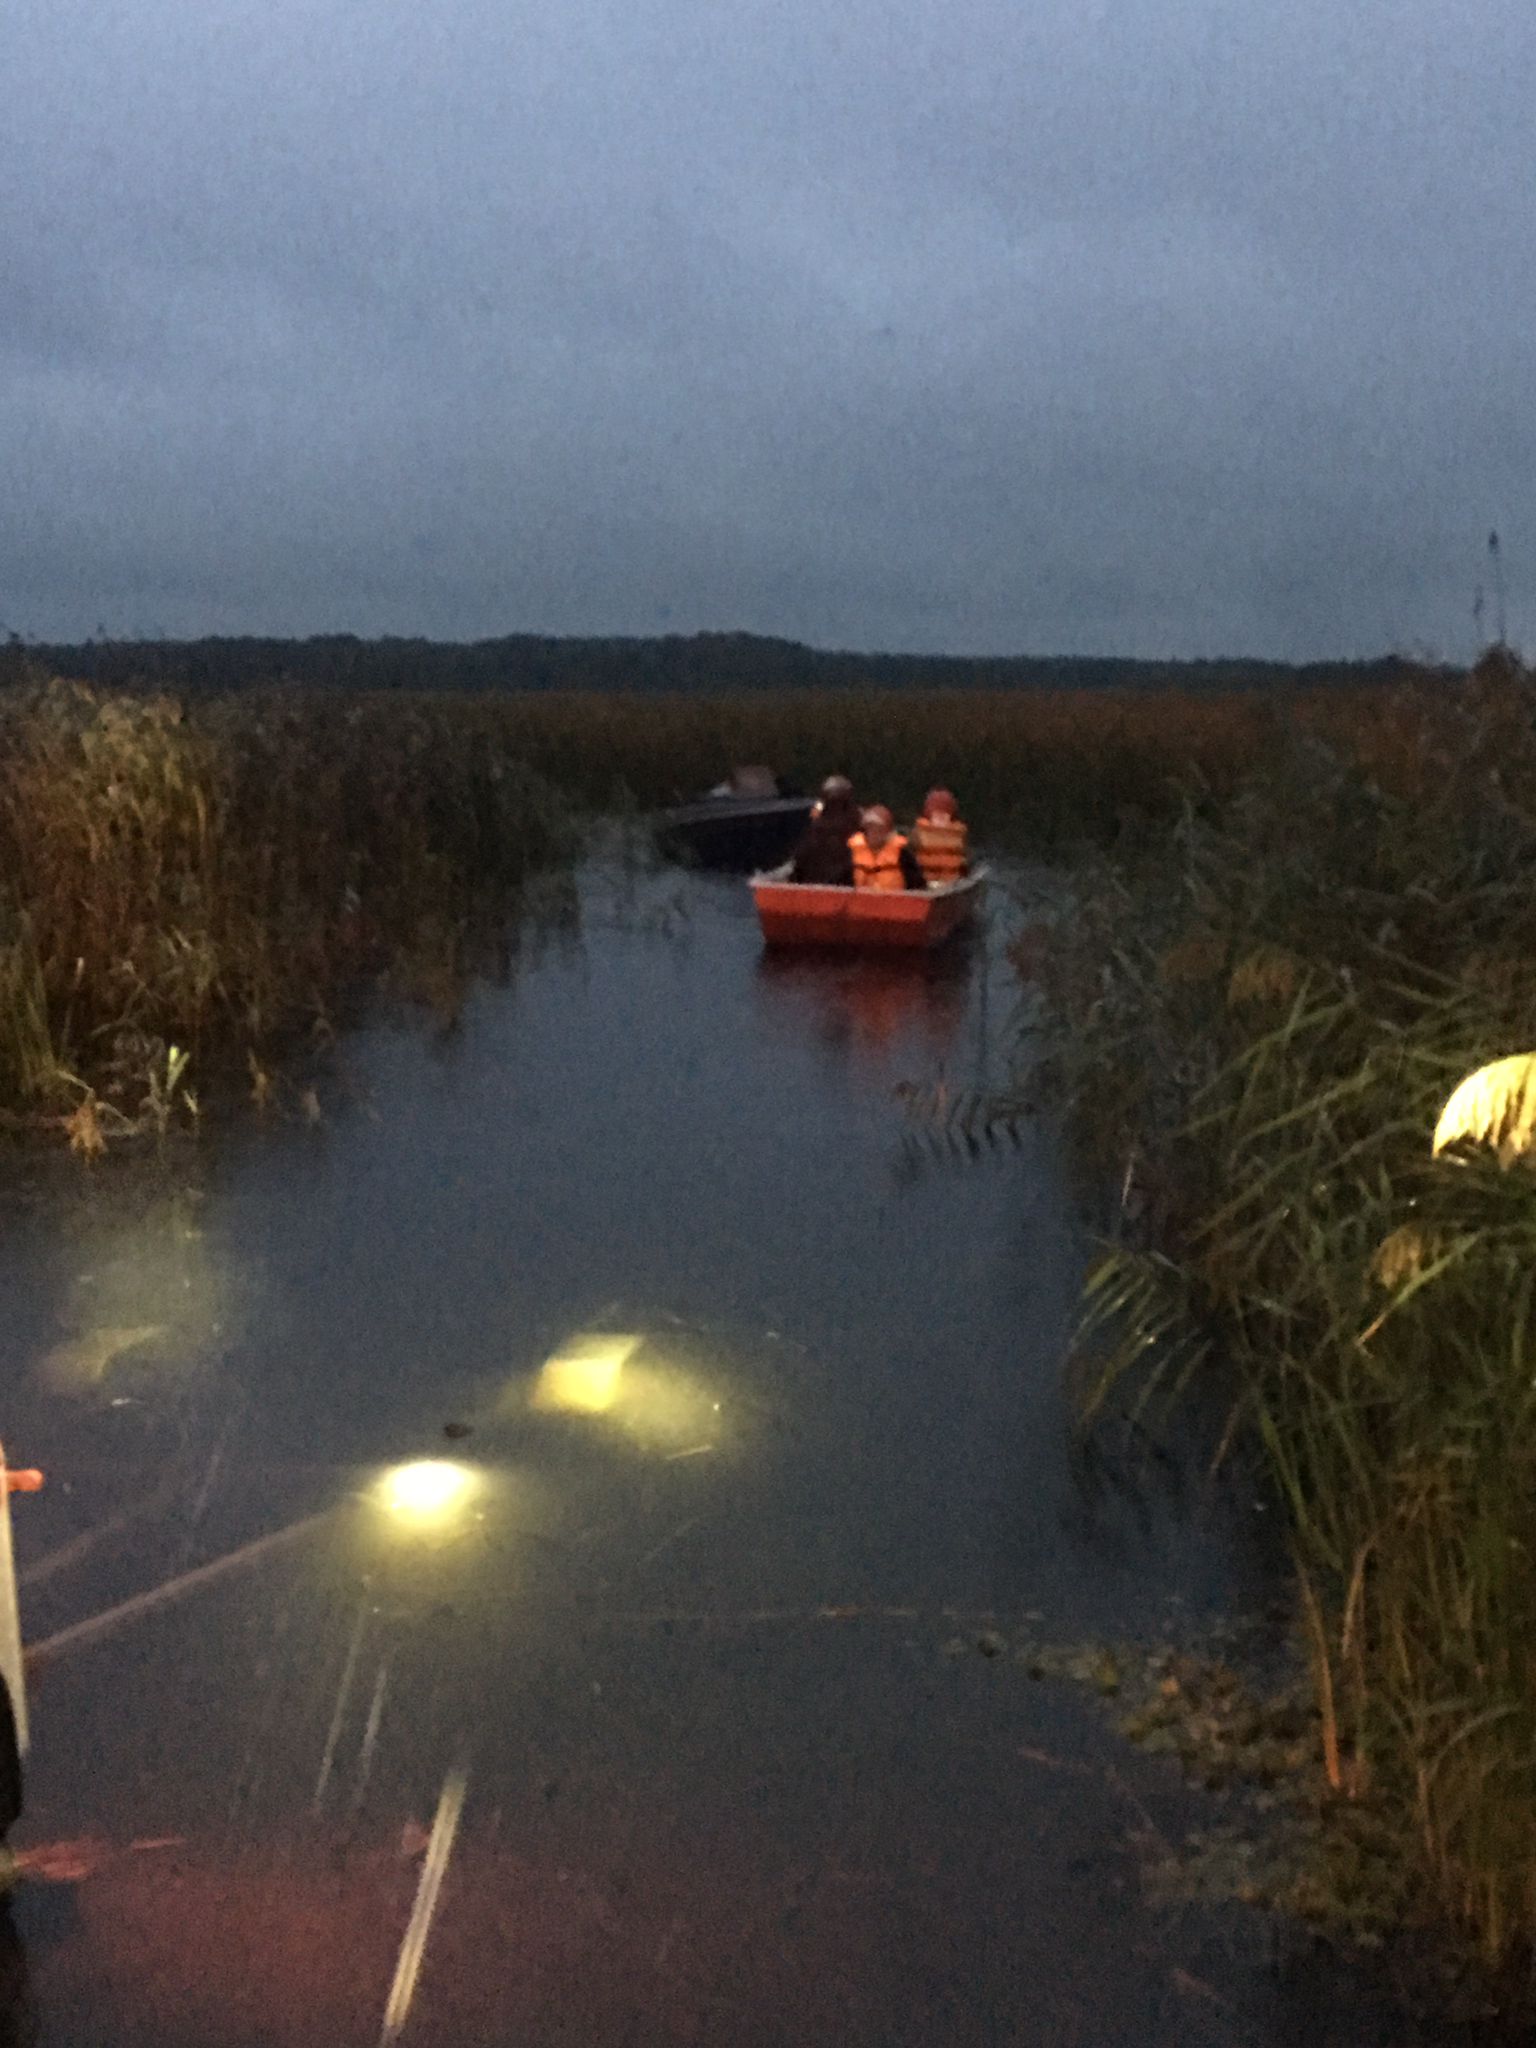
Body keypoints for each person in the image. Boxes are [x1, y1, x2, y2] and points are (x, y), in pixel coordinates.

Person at [789, 775, 861, 884]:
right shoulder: (819, 812)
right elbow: (814, 815)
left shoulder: (855, 815)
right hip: (817, 869)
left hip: (845, 868)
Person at [849, 805, 927, 890]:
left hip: (895, 901)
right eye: (869, 827)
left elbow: (917, 886)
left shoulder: (903, 854)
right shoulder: (851, 851)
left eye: (879, 829)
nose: (873, 832)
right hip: (859, 901)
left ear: (888, 831)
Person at [911, 787, 969, 885]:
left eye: (945, 814)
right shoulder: (918, 834)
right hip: (924, 882)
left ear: (951, 815)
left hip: (950, 882)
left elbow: (963, 860)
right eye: (936, 814)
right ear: (929, 815)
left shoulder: (958, 834)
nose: (940, 818)